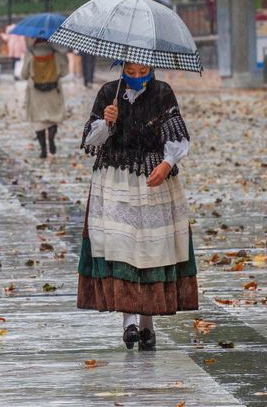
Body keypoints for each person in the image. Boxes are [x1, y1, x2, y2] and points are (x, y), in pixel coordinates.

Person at [76, 60, 198, 351]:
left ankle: (147, 323)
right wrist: (106, 122)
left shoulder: (163, 93)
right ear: (122, 70)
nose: (136, 78)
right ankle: (128, 321)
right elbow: (90, 140)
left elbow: (177, 137)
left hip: (153, 180)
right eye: (130, 73)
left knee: (151, 250)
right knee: (121, 247)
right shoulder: (109, 92)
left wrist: (168, 163)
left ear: (152, 70)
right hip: (114, 179)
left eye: (143, 73)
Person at [21, 38, 67, 158]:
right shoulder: (56, 53)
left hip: (36, 92)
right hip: (53, 89)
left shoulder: (30, 53)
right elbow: (64, 72)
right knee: (53, 116)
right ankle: (51, 135)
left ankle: (43, 150)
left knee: (38, 119)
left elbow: (23, 74)